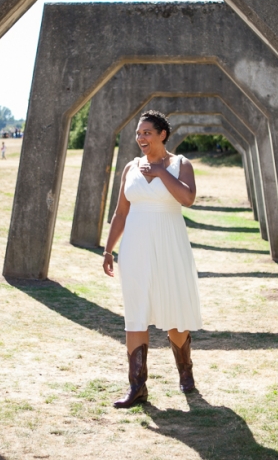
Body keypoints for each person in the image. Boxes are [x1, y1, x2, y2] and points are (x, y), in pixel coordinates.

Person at [102, 110, 202, 408]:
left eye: (147, 132)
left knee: (174, 317)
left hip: (170, 245)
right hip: (134, 248)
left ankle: (185, 372)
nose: (141, 138)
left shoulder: (181, 164)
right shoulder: (130, 167)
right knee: (136, 313)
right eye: (138, 133)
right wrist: (108, 250)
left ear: (163, 134)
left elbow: (187, 199)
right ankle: (137, 387)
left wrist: (160, 172)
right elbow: (121, 213)